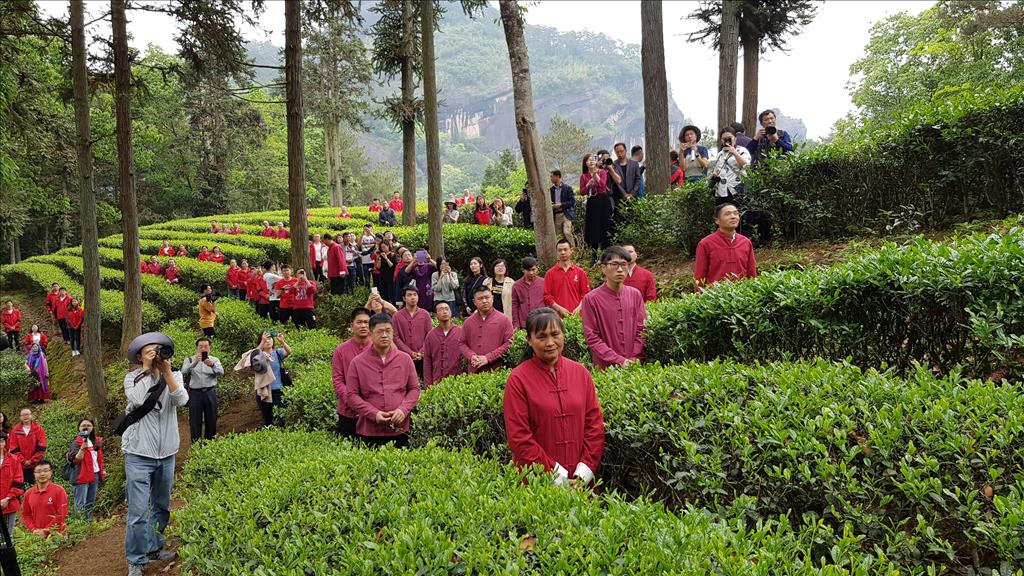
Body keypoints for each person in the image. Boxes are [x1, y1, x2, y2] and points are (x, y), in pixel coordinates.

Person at [503, 307, 605, 486]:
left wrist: (583, 473)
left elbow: (594, 425)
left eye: (555, 334)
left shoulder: (580, 373)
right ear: (529, 340)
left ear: (563, 335)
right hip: (537, 480)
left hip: (580, 480)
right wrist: (555, 474)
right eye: (542, 337)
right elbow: (519, 437)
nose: (550, 342)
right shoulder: (518, 379)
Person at [122, 332, 189, 574]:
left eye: (158, 350)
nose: (155, 354)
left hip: (167, 453)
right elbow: (138, 400)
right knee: (138, 512)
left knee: (161, 506)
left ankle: (154, 547)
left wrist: (168, 373)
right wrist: (148, 370)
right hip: (138, 454)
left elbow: (181, 400)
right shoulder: (132, 378)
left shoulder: (176, 375)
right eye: (149, 351)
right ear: (140, 356)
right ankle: (136, 559)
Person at [346, 313, 420, 448]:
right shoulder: (358, 362)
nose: (384, 335)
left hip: (400, 429)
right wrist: (374, 414)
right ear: (371, 334)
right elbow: (352, 395)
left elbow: (414, 389)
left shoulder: (405, 359)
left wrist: (403, 410)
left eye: (388, 331)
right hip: (369, 430)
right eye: (380, 332)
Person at [581, 246, 647, 370]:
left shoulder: (635, 294)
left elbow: (642, 329)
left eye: (624, 264)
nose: (620, 270)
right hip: (606, 368)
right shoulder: (591, 299)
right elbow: (592, 336)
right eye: (614, 264)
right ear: (603, 268)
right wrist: (619, 360)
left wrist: (633, 358)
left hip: (635, 366)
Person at [693, 203, 758, 292]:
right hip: (715, 296)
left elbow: (751, 273)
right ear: (717, 220)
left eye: (735, 213)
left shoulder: (746, 242)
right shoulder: (705, 244)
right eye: (727, 214)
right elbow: (700, 275)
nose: (733, 216)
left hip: (742, 295)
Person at [331, 308, 373, 438]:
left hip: (372, 411)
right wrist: (353, 402)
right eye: (359, 322)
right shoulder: (341, 350)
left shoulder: (377, 348)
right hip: (348, 411)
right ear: (352, 325)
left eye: (366, 322)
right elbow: (338, 380)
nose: (363, 326)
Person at [460, 287, 514, 374]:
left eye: (487, 297)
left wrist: (488, 358)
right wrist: (471, 356)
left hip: (496, 372)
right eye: (480, 298)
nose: (484, 301)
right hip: (474, 371)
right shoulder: (468, 322)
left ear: (492, 298)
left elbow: (509, 343)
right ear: (474, 302)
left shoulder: (504, 320)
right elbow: (462, 343)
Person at [181, 337, 223, 443]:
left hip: (210, 392)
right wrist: (195, 362)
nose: (203, 349)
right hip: (195, 394)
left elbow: (221, 372)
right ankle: (196, 447)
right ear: (197, 348)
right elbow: (183, 371)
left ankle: (210, 445)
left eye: (206, 346)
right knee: (194, 421)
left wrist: (212, 365)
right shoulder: (190, 359)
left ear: (210, 348)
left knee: (212, 419)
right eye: (201, 347)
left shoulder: (215, 360)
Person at [246, 331, 291, 427]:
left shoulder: (277, 353)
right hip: (264, 391)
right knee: (267, 419)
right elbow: (250, 358)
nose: (268, 341)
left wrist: (282, 342)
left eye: (270, 339)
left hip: (279, 390)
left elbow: (288, 352)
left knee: (282, 417)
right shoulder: (258, 356)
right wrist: (261, 342)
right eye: (265, 340)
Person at [66, 418, 106, 522]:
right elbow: (76, 459)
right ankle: (79, 524)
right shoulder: (76, 443)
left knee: (90, 501)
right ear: (79, 429)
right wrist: (82, 448)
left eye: (89, 425)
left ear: (92, 428)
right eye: (83, 425)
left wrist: (102, 470)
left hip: (95, 474)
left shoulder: (96, 442)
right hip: (81, 475)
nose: (86, 427)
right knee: (80, 502)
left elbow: (99, 459)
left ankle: (89, 522)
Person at [543, 239, 590, 317]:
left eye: (565, 249)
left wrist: (579, 308)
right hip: (557, 318)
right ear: (556, 252)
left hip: (577, 317)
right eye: (560, 250)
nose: (563, 252)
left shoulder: (580, 272)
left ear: (571, 250)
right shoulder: (550, 273)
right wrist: (559, 308)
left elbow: (586, 294)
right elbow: (547, 296)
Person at [20, 461, 67, 538]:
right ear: (34, 474)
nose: (42, 474)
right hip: (36, 535)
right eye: (38, 471)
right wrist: (34, 530)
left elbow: (61, 515)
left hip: (57, 535)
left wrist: (45, 531)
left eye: (45, 470)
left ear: (51, 472)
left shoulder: (59, 491)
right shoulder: (29, 493)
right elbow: (26, 515)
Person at [423, 301, 464, 387]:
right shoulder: (431, 335)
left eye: (447, 309)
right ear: (435, 315)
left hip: (458, 383)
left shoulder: (461, 332)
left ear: (451, 312)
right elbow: (427, 361)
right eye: (441, 310)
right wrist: (428, 385)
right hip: (437, 383)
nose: (444, 312)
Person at [393, 287, 432, 376]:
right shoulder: (397, 316)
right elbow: (395, 337)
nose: (413, 297)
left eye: (415, 295)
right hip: (404, 357)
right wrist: (410, 353)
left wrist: (421, 352)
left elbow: (429, 336)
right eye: (409, 295)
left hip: (423, 357)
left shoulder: (425, 314)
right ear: (404, 298)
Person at [0, 431, 25, 568]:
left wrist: (7, 498)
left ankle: (11, 566)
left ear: (4, 443)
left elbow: (19, 483)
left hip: (9, 504)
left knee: (8, 536)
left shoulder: (14, 460)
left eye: (1, 441)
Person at [580, 153, 614, 251]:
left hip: (603, 200)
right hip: (592, 201)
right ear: (585, 163)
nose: (591, 161)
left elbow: (603, 186)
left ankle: (606, 250)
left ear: (596, 161)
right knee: (593, 226)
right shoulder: (583, 176)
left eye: (592, 159)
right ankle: (594, 253)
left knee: (605, 224)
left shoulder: (602, 172)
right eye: (588, 160)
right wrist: (588, 185)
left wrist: (595, 175)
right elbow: (582, 192)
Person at [709, 126, 750, 205]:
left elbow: (746, 165)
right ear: (721, 140)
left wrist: (734, 153)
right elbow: (716, 171)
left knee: (738, 211)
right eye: (724, 139)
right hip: (722, 190)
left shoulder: (741, 150)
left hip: (737, 188)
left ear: (735, 138)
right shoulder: (720, 154)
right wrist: (713, 176)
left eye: (729, 138)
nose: (727, 141)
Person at [9, 408, 46, 486]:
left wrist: (32, 460)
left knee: (37, 486)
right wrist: (23, 461)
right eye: (23, 415)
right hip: (20, 465)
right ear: (20, 417)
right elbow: (14, 448)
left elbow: (42, 447)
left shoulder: (38, 429)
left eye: (27, 414)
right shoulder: (15, 430)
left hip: (36, 464)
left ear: (31, 416)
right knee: (21, 487)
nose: (25, 417)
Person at [511, 257, 545, 330]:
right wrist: (516, 324)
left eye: (533, 270)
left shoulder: (543, 282)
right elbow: (515, 305)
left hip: (541, 321)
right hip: (524, 323)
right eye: (528, 270)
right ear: (523, 270)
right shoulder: (516, 285)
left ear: (537, 268)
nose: (531, 273)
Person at [549, 170, 576, 246]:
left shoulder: (567, 188)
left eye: (552, 176)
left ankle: (573, 250)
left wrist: (561, 204)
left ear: (557, 176)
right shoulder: (550, 190)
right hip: (556, 215)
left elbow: (572, 201)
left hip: (566, 214)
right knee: (558, 235)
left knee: (567, 232)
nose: (551, 178)